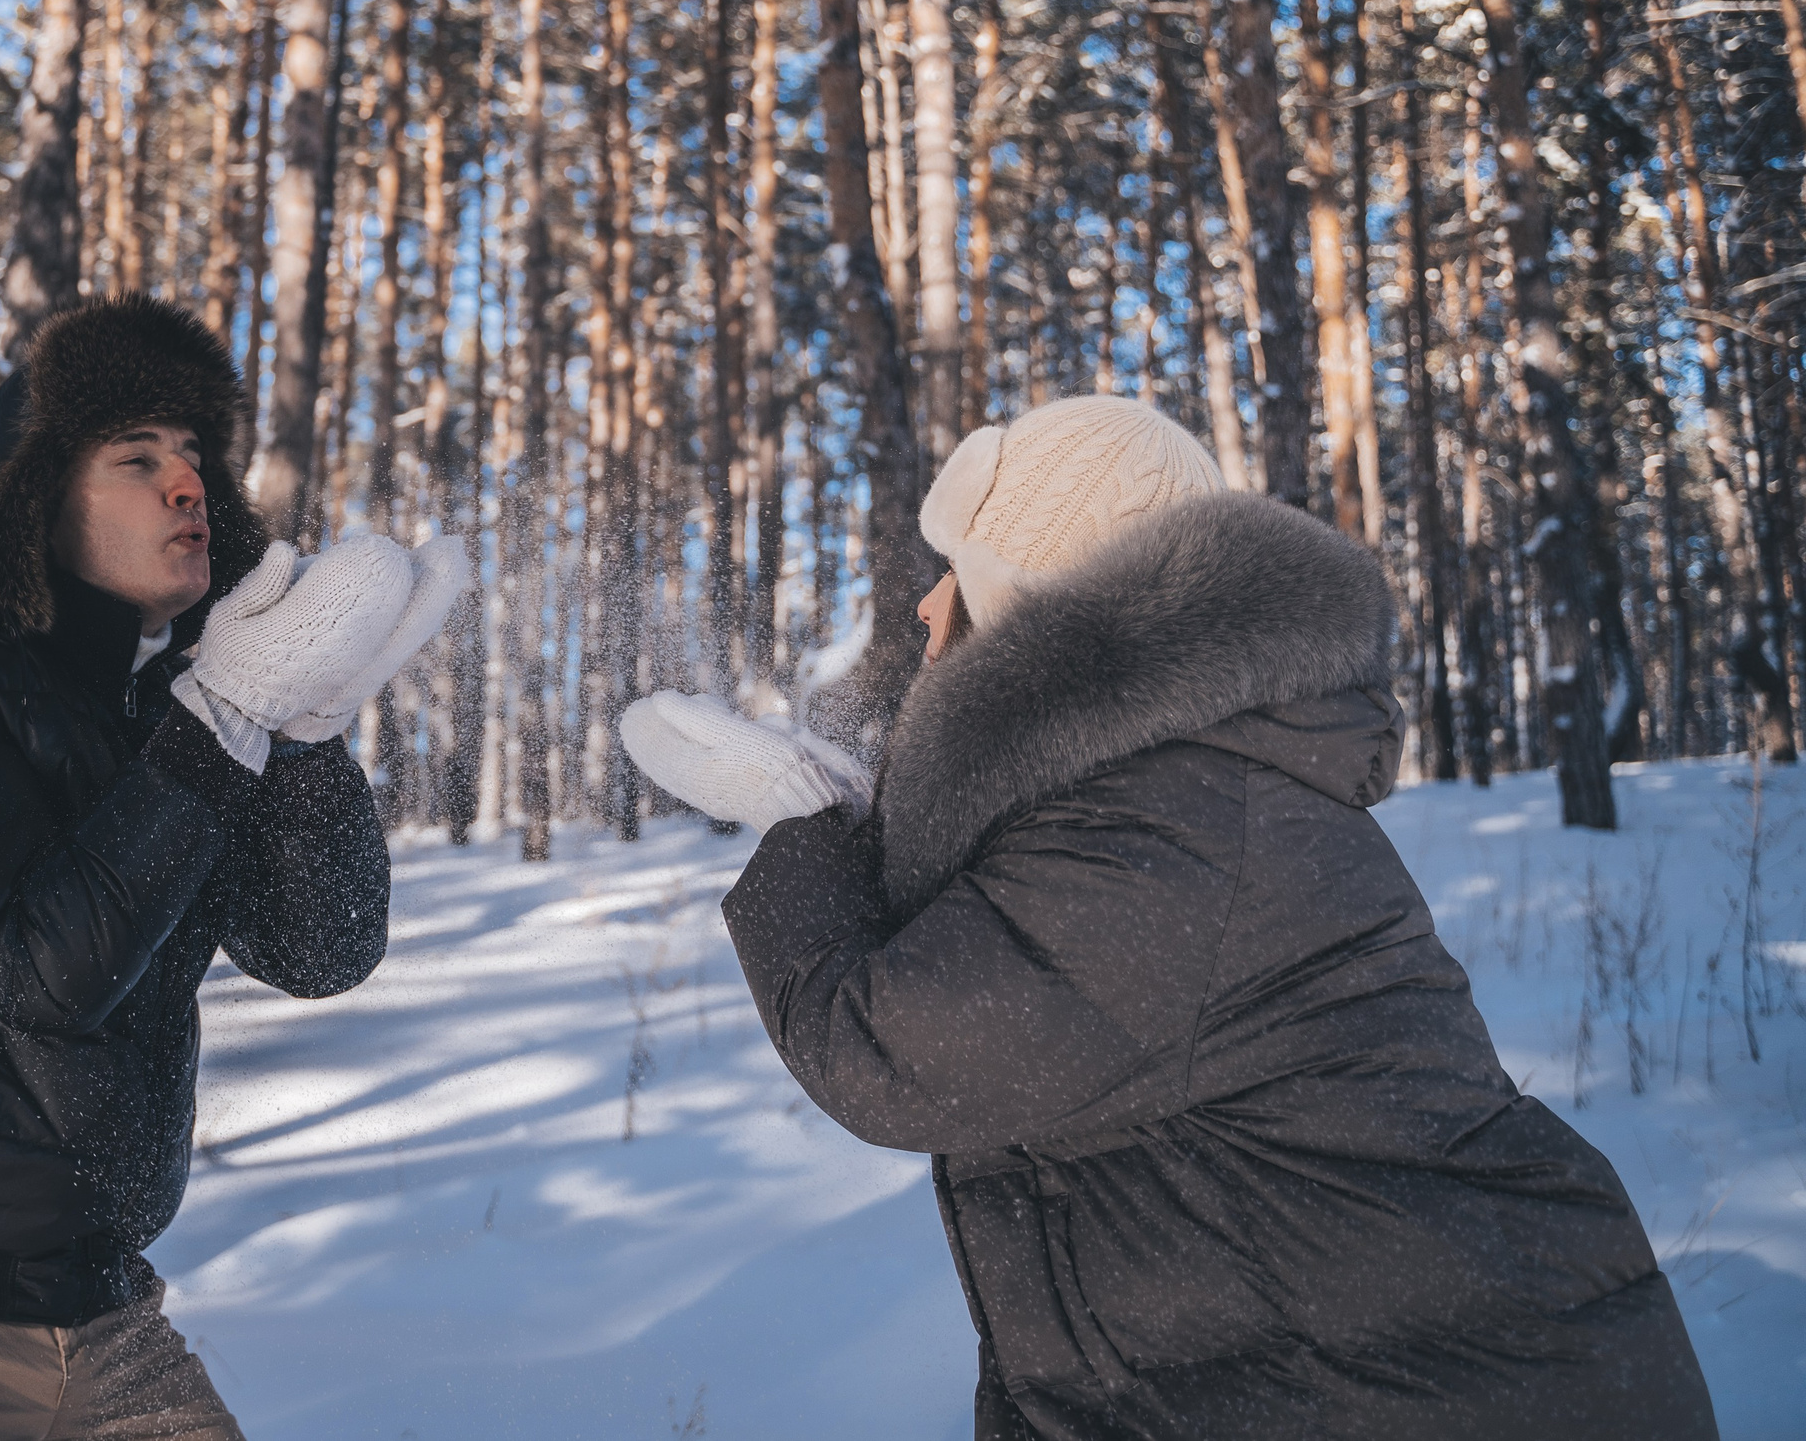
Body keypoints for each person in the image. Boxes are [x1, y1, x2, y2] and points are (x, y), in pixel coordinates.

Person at [622, 395, 1717, 1441]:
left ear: (1028, 598)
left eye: (953, 570)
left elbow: (894, 1052)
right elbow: (1005, 958)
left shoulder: (1174, 822)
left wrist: (802, 826)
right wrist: (855, 827)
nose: (923, 607)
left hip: (1437, 1397)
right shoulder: (1162, 792)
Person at [0, 295, 458, 1440]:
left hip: (104, 1314)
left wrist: (306, 730)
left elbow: (318, 948)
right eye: (137, 458)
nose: (188, 486)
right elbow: (39, 968)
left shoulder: (164, 711)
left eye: (193, 458)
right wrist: (224, 714)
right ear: (35, 503)